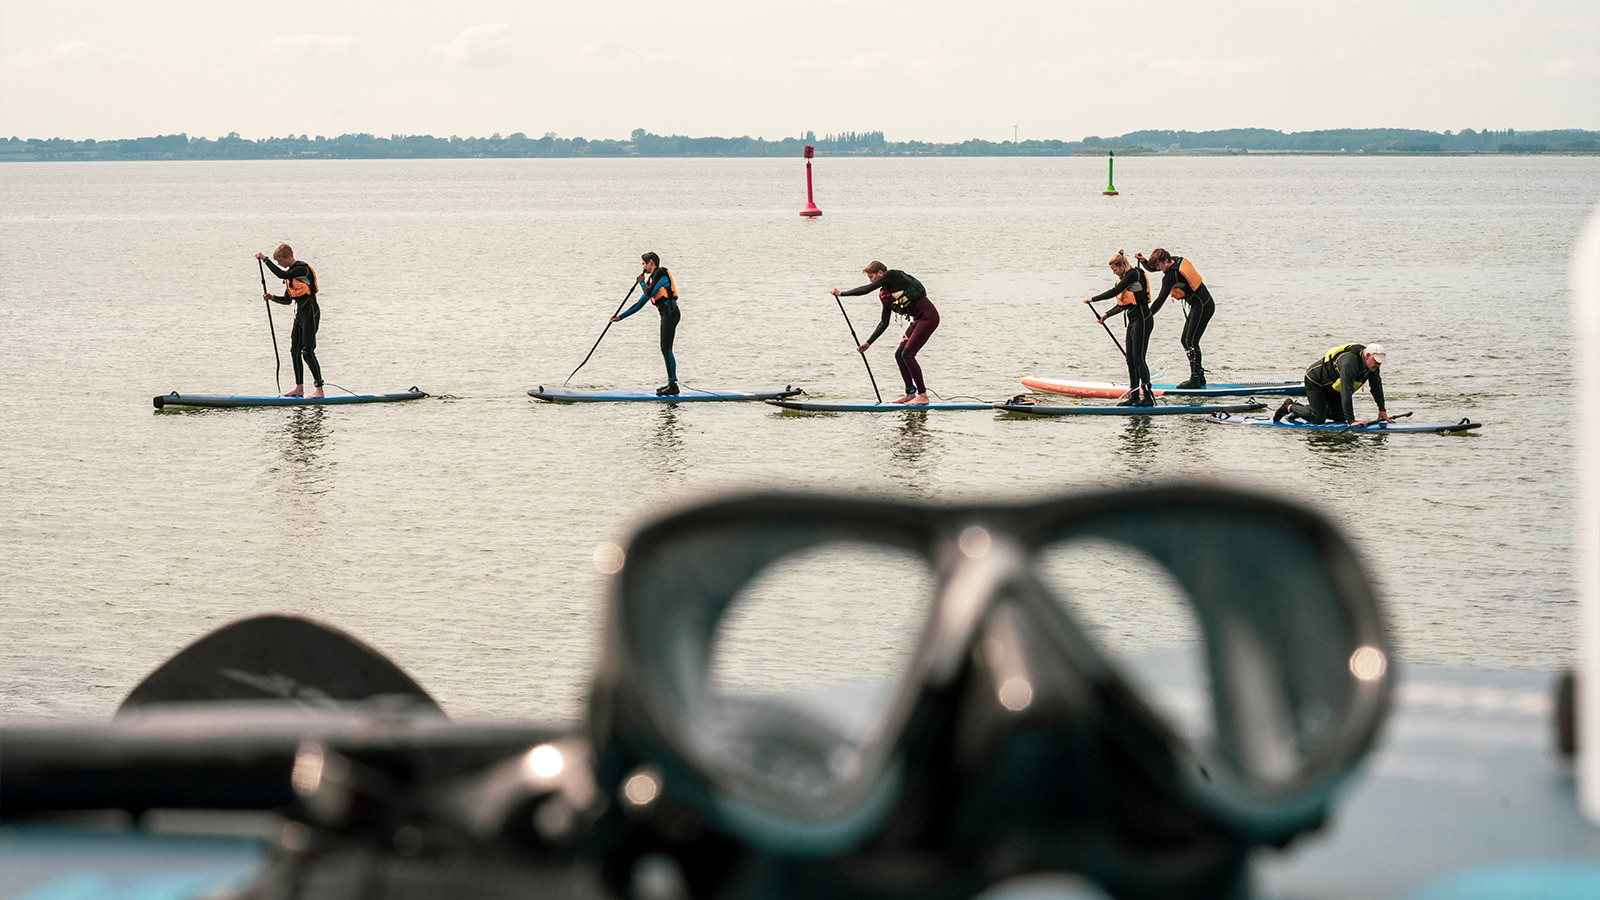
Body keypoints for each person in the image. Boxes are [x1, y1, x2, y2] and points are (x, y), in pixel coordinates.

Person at [831, 261, 940, 405]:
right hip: (917, 320)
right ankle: (910, 393)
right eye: (868, 278)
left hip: (929, 317)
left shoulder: (892, 275)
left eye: (871, 276)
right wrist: (868, 343)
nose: (870, 280)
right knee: (899, 355)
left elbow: (866, 289)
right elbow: (884, 322)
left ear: (880, 273)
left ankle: (923, 395)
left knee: (908, 354)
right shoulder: (886, 294)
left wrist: (842, 294)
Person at [1084, 249, 1155, 407]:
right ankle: (1134, 395)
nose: (1114, 272)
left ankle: (1148, 397)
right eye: (1112, 270)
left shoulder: (1133, 274)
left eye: (1115, 269)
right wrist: (1106, 315)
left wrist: (1093, 299)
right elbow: (1123, 303)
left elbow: (1114, 292)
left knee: (1138, 358)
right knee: (1130, 358)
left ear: (1122, 265)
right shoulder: (1124, 278)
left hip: (1143, 318)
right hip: (1133, 319)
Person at [1137, 248, 1215, 388]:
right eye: (1156, 266)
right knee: (1185, 340)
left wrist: (1146, 316)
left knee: (1191, 341)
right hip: (1201, 304)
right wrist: (1144, 262)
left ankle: (1195, 378)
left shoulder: (1170, 277)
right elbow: (1154, 267)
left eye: (1159, 266)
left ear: (1166, 260)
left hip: (1203, 306)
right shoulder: (1176, 260)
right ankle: (1199, 374)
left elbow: (1160, 300)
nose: (1158, 269)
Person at [255, 244, 322, 398]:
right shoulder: (291, 276)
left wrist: (265, 259)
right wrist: (272, 298)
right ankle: (299, 388)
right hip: (300, 314)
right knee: (294, 350)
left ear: (287, 257)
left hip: (311, 313)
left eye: (280, 261)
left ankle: (319, 390)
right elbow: (287, 300)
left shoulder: (302, 269)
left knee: (308, 351)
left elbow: (281, 274)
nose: (279, 264)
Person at [1274, 343, 1397, 426]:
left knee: (1340, 417)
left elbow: (1376, 388)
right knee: (1318, 419)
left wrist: (1382, 410)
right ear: (1367, 356)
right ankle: (1289, 406)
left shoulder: (1372, 367)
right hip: (1316, 381)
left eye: (1380, 363)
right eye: (1377, 362)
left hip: (1332, 387)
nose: (1378, 365)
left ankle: (1303, 410)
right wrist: (1352, 421)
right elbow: (1346, 391)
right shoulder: (1350, 363)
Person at [611, 252, 681, 395]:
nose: (643, 267)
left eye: (643, 264)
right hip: (666, 315)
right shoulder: (652, 280)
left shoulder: (660, 274)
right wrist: (620, 317)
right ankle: (671, 383)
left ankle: (673, 385)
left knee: (666, 348)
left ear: (650, 262)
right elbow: (639, 304)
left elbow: (648, 293)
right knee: (664, 348)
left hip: (671, 314)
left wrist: (641, 282)